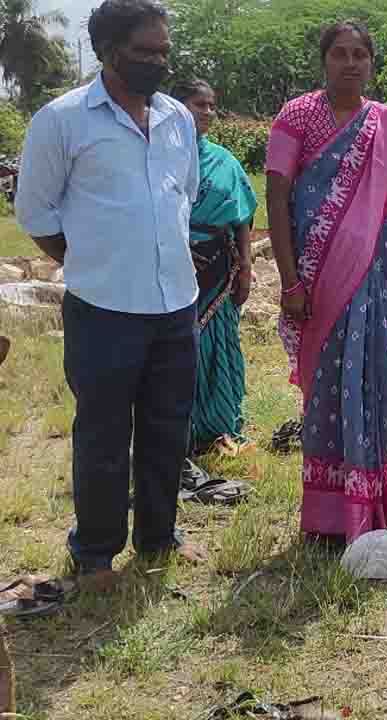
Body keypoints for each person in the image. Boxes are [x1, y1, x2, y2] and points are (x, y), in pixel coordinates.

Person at [15, 0, 206, 581]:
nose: (157, 61)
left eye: (163, 52)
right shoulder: (62, 120)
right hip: (102, 310)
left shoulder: (178, 118)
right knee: (102, 435)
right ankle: (95, 553)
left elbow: (186, 197)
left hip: (176, 305)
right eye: (143, 51)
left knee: (167, 430)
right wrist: (92, 263)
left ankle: (158, 539)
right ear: (106, 51)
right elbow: (35, 212)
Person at [264, 21, 387, 545]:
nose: (351, 63)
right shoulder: (297, 116)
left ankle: (375, 505)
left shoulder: (386, 125)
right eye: (340, 54)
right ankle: (329, 516)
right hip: (316, 281)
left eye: (360, 55)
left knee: (373, 382)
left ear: (371, 64)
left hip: (372, 278)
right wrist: (290, 280)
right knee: (326, 388)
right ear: (324, 60)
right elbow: (278, 197)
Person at [170, 78, 257, 499]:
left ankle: (218, 425)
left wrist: (245, 265)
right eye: (197, 104)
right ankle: (176, 433)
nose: (206, 112)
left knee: (219, 345)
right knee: (179, 352)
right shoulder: (160, 157)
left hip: (219, 267)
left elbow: (242, 216)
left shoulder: (224, 160)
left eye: (211, 105)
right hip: (170, 265)